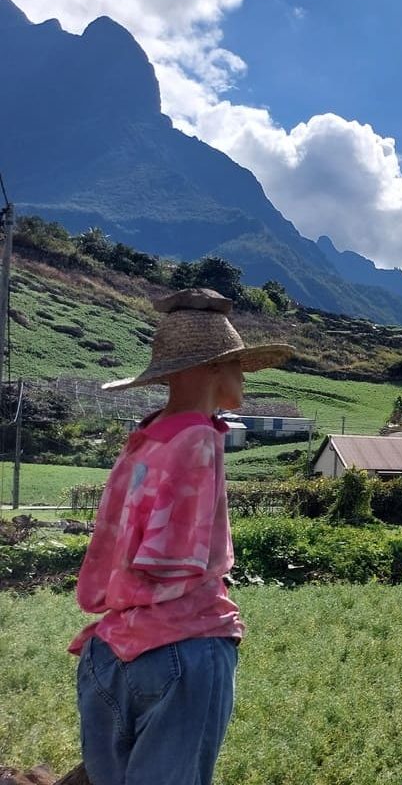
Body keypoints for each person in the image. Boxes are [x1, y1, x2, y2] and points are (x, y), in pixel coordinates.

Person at [68, 288, 293, 785]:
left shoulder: (145, 438)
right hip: (180, 647)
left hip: (109, 647)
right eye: (237, 368)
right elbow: (174, 561)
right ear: (211, 369)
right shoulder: (199, 436)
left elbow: (114, 545)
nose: (243, 379)